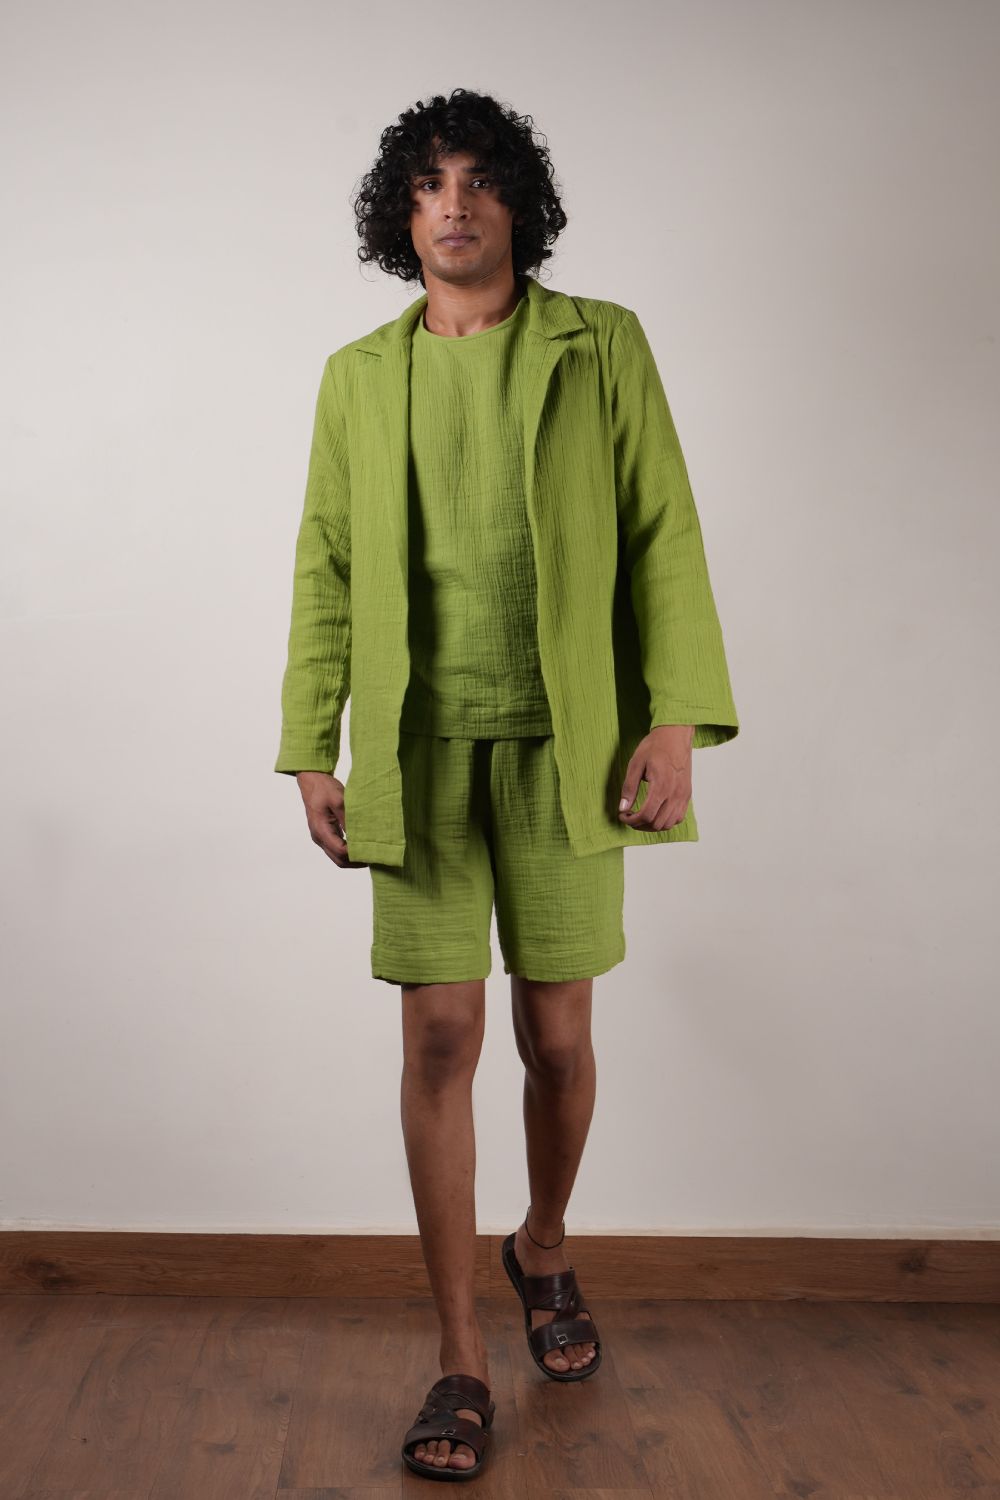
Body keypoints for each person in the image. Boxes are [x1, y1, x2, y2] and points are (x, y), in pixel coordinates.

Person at [274, 88, 739, 1481]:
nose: (455, 204)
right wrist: (308, 743)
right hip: (416, 747)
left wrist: (674, 719)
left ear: (517, 201)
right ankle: (461, 1355)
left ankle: (541, 1243)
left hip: (567, 741)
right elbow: (325, 561)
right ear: (401, 214)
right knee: (438, 1038)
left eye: (478, 179)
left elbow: (663, 527)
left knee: (558, 1038)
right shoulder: (360, 376)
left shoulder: (603, 345)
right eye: (429, 184)